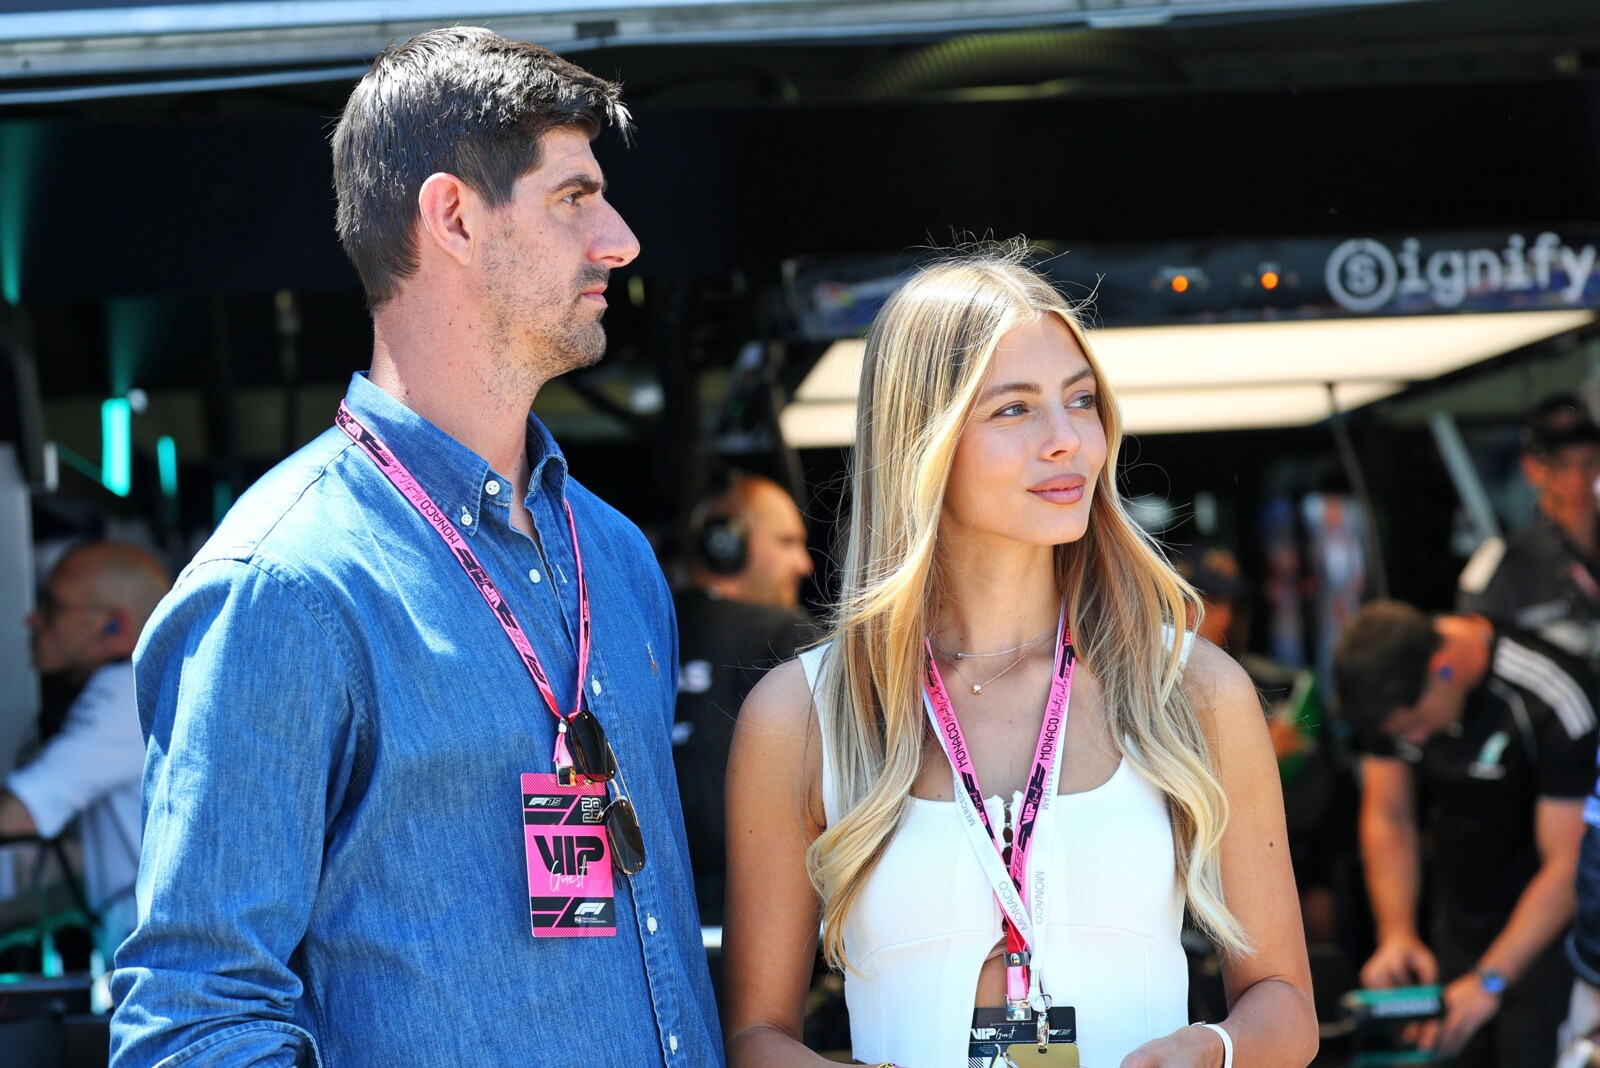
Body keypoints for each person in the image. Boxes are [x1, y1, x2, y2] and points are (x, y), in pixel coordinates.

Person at [111, 28, 722, 1067]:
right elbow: (197, 1022)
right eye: (575, 197)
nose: (619, 240)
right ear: (453, 217)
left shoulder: (614, 557)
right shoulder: (282, 586)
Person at [723, 248, 1317, 1068]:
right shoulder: (802, 713)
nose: (1068, 440)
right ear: (921, 439)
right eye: (1014, 409)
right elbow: (755, 1037)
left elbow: (1285, 1004)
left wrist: (1210, 1049)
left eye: (1081, 401)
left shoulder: (1191, 687)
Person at [1333, 600, 1596, 1067]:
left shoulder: (1552, 699)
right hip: (1458, 918)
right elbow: (1389, 814)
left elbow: (1568, 862)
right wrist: (1397, 932)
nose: (1414, 741)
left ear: (1443, 668)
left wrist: (1490, 980)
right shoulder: (1390, 689)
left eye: (1416, 725)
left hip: (1547, 937)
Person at [4, 541, 169, 960]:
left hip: (158, 960)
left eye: (52, 606)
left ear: (114, 625)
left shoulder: (124, 686)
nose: (32, 619)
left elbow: (19, 816)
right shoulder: (159, 682)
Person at [673, 472, 816, 926]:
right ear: (724, 544)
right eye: (786, 542)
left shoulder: (625, 628)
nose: (803, 564)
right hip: (760, 920)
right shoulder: (785, 633)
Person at [1458, 392, 1600, 667]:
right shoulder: (1503, 567)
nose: (1578, 479)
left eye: (1591, 461)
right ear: (1532, 469)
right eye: (1560, 465)